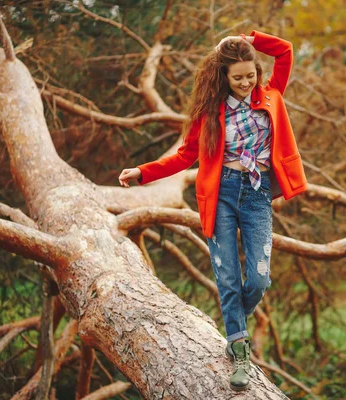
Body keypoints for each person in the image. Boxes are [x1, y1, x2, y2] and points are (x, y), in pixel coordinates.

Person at [118, 31, 307, 391]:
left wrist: (246, 37)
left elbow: (284, 50)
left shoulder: (272, 94)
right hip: (220, 195)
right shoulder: (210, 113)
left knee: (259, 277)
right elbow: (184, 156)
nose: (245, 82)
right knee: (228, 278)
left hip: (257, 194)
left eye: (250, 75)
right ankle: (238, 348)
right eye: (237, 77)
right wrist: (144, 172)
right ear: (223, 76)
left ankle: (235, 319)